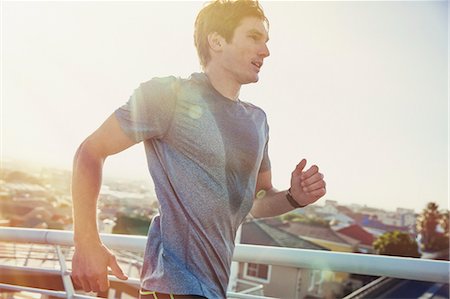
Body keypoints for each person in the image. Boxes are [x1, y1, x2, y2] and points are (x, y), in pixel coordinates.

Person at [71, 1, 326, 298]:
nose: (266, 51)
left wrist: (294, 197)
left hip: (215, 291)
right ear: (216, 40)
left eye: (266, 42)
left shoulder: (258, 121)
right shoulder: (168, 95)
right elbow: (90, 152)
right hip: (170, 286)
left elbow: (255, 203)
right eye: (254, 37)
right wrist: (87, 242)